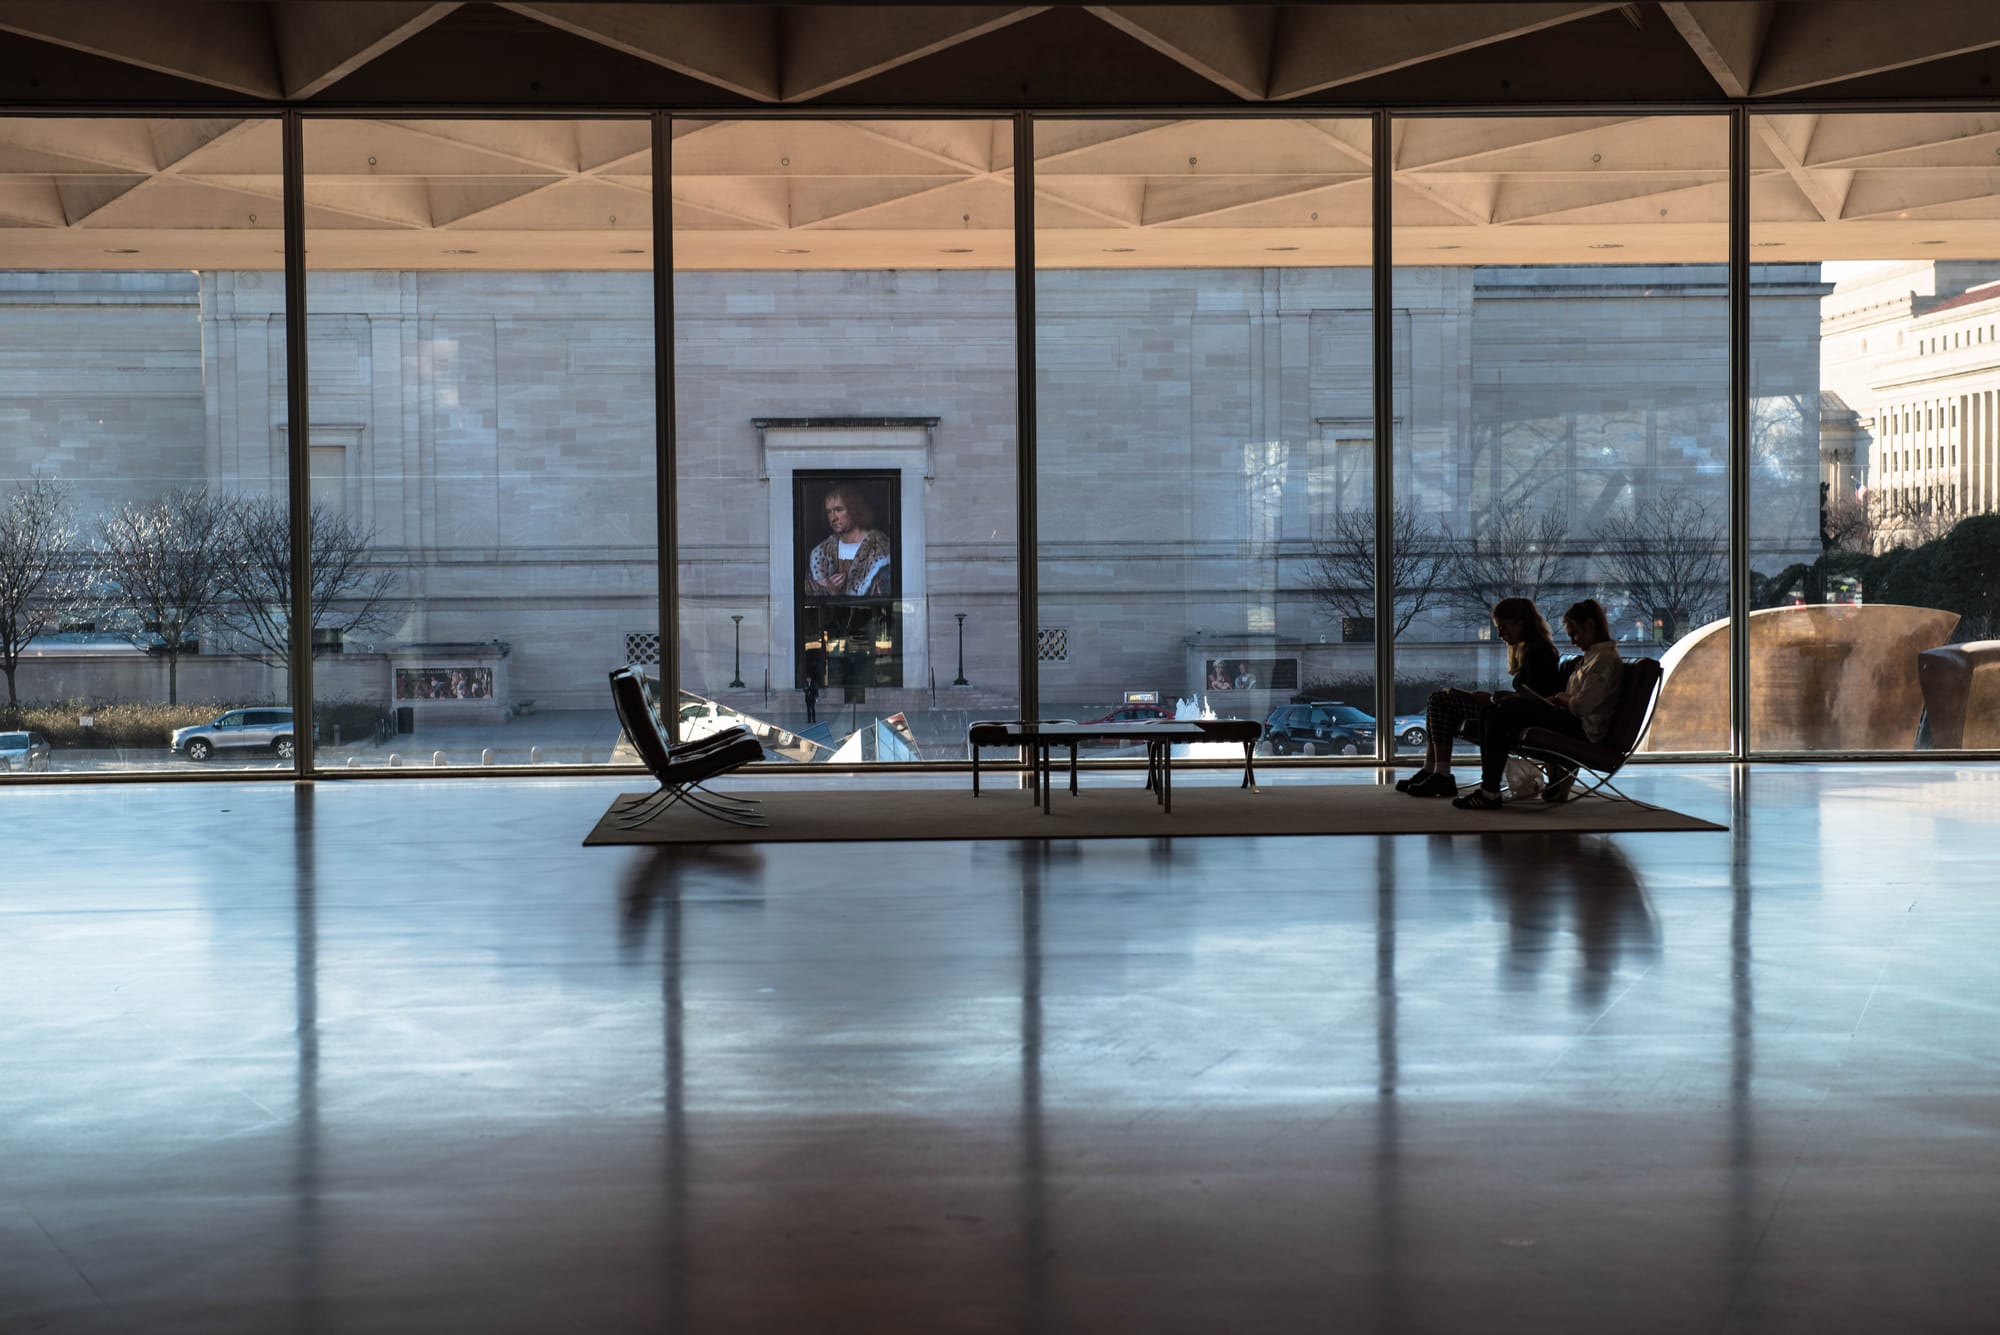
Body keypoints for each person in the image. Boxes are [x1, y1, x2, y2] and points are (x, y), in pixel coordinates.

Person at [1452, 598, 1625, 811]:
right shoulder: (1594, 658)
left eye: (1575, 633)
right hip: (1574, 721)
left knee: (1498, 713)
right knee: (1492, 710)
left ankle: (1489, 791)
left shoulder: (1604, 661)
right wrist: (1560, 699)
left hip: (1582, 729)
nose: (1573, 641)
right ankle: (1489, 790)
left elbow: (1581, 707)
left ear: (1590, 625)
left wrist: (1561, 698)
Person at [1398, 596, 1564, 798]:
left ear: (1519, 623)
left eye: (1504, 627)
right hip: (1518, 712)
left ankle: (1439, 773)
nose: (1501, 634)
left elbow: (1533, 700)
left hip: (1518, 716)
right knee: (1437, 699)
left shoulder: (1536, 653)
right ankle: (1434, 771)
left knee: (1439, 701)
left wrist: (1493, 699)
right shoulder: (1534, 649)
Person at [805, 485, 891, 599]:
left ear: (854, 509)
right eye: (829, 512)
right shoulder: (820, 553)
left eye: (839, 510)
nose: (833, 518)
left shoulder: (880, 550)